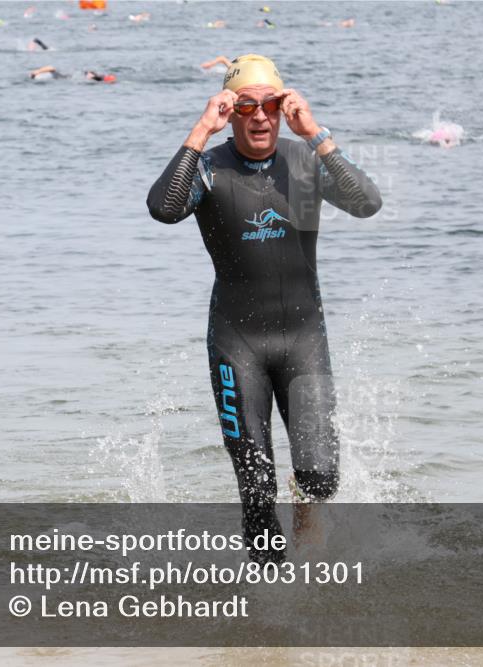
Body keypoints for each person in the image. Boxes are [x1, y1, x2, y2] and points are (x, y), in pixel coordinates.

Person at [147, 54, 381, 563]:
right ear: (229, 112)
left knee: (319, 476)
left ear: (282, 108)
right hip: (238, 346)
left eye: (269, 105)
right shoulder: (211, 169)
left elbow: (366, 203)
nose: (259, 116)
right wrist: (199, 132)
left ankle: (308, 576)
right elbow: (164, 208)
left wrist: (316, 133)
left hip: (302, 339)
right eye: (246, 106)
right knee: (256, 493)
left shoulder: (302, 164)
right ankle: (267, 610)